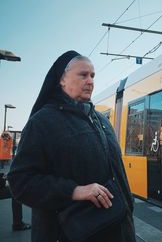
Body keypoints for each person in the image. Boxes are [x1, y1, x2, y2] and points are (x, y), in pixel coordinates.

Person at [7, 50, 136, 242]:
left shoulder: (102, 120)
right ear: (62, 80)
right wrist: (75, 191)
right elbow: (20, 181)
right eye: (83, 75)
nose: (90, 81)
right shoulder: (42, 122)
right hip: (68, 234)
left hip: (119, 231)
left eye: (92, 75)